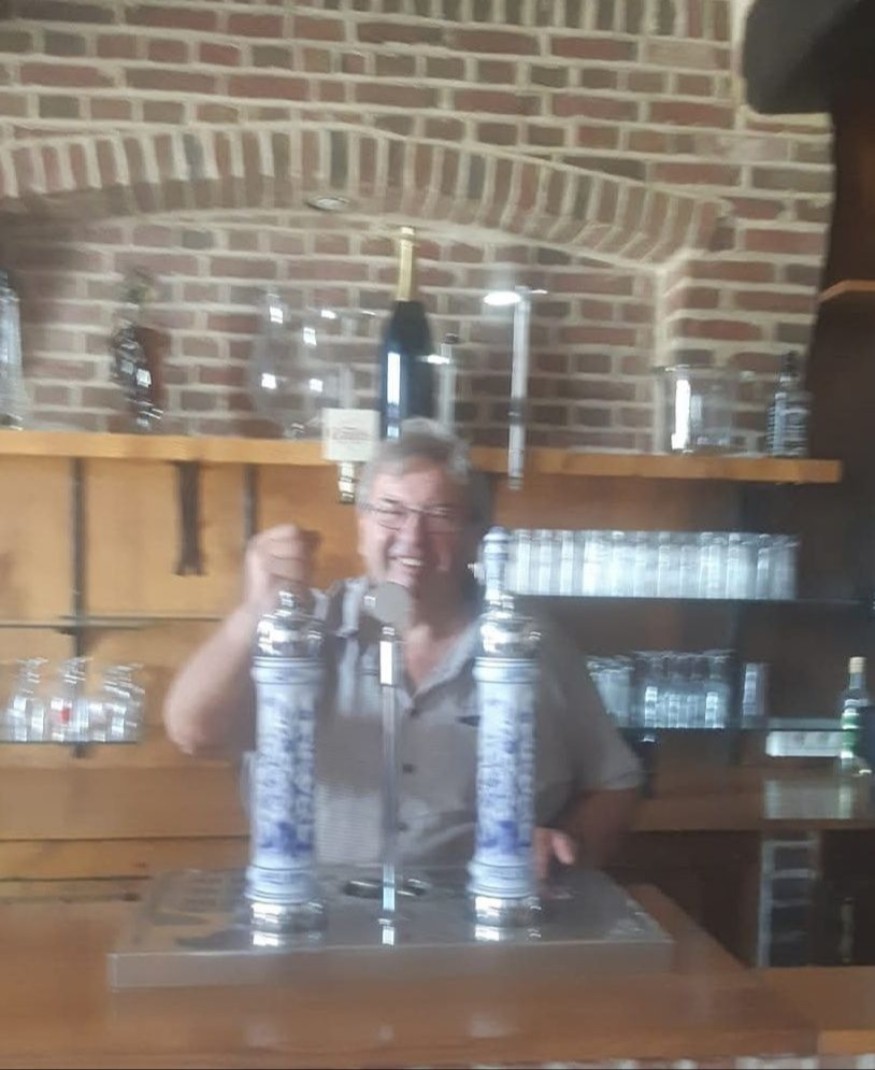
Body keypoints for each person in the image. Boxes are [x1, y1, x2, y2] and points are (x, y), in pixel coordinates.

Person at [163, 418, 642, 878]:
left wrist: (564, 844)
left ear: (474, 537)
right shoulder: (304, 633)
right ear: (362, 525)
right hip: (321, 916)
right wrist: (253, 612)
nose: (412, 537)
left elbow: (615, 783)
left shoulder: (532, 641)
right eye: (391, 510)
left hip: (479, 917)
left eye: (440, 516)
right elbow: (192, 731)